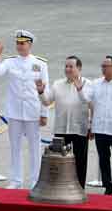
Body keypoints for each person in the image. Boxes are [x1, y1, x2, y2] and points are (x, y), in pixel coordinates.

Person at [0, 30, 49, 189]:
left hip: (32, 110)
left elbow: (45, 89)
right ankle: (16, 180)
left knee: (34, 147)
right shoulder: (10, 62)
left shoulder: (40, 63)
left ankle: (35, 180)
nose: (19, 46)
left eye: (22, 43)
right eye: (18, 43)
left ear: (30, 44)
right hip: (15, 111)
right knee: (15, 146)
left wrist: (44, 113)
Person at [77, 55, 112, 196]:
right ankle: (108, 186)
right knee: (103, 159)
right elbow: (87, 101)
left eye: (106, 66)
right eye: (102, 66)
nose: (103, 69)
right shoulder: (95, 83)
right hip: (100, 128)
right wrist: (79, 90)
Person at [36, 56, 90, 188]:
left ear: (79, 68)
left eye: (71, 66)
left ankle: (79, 188)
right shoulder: (57, 84)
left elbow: (87, 102)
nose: (68, 69)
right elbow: (47, 101)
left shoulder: (87, 83)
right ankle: (59, 187)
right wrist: (41, 91)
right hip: (61, 128)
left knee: (80, 161)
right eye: (66, 66)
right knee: (59, 160)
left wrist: (80, 90)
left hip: (79, 128)